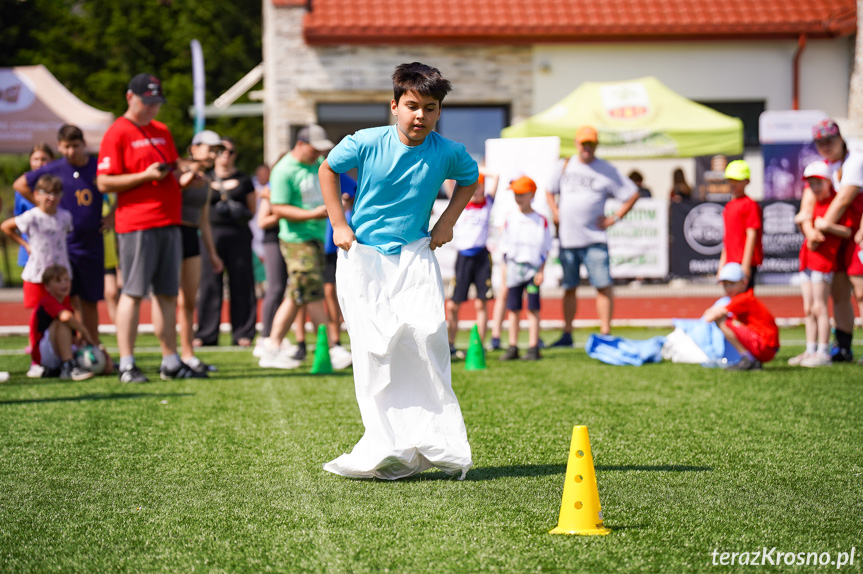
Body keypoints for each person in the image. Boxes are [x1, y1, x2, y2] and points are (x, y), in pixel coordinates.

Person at [319, 61, 477, 480]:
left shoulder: (448, 152)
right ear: (394, 106)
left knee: (428, 338)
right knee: (375, 351)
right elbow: (328, 169)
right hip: (363, 257)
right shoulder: (367, 142)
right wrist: (338, 223)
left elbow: (470, 179)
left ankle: (439, 444)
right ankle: (384, 445)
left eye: (429, 107)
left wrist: (447, 222)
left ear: (439, 112)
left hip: (414, 256)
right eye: (411, 106)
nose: (420, 115)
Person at [96, 72, 204, 383]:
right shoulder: (117, 132)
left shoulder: (162, 130)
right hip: (136, 223)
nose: (153, 109)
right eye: (148, 102)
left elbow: (170, 168)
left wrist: (187, 177)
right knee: (132, 292)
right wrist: (144, 176)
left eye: (157, 103)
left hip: (170, 220)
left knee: (168, 294)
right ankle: (127, 363)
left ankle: (170, 360)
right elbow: (104, 181)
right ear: (130, 97)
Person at [14, 124, 111, 374]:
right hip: (63, 248)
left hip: (90, 243)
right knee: (62, 301)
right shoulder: (54, 168)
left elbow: (118, 185)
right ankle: (62, 351)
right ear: (59, 146)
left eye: (75, 146)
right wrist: (41, 204)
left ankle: (93, 346)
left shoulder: (96, 166)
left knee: (89, 300)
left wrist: (113, 215)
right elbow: (20, 184)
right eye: (65, 146)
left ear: (84, 145)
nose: (70, 151)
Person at [258, 125, 351, 370]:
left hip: (315, 237)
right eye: (314, 149)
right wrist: (312, 213)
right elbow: (278, 208)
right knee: (312, 293)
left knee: (298, 294)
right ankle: (331, 347)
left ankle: (271, 345)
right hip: (295, 239)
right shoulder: (283, 170)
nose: (318, 154)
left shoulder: (317, 162)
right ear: (300, 144)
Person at [546, 125, 640, 345]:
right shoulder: (564, 165)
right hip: (568, 239)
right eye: (583, 143)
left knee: (603, 286)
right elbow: (549, 190)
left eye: (591, 143)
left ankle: (605, 333)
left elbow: (632, 194)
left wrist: (615, 218)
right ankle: (567, 333)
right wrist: (555, 211)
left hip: (595, 239)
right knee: (569, 287)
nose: (587, 147)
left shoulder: (607, 169)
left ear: (595, 145)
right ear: (577, 144)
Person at [2, 175, 73, 378]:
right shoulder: (31, 216)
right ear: (36, 195)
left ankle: (63, 358)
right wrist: (25, 245)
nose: (51, 197)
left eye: (55, 193)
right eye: (46, 193)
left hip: (60, 276)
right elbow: (6, 226)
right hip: (37, 275)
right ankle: (37, 360)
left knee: (62, 316)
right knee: (37, 320)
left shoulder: (65, 216)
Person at [806, 118, 863, 363]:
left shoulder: (855, 160)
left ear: (840, 139)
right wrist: (812, 229)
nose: (825, 146)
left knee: (861, 291)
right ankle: (843, 347)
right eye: (820, 143)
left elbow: (843, 200)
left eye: (829, 141)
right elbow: (810, 196)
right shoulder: (827, 166)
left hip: (855, 234)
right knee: (839, 293)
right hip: (839, 237)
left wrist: (821, 228)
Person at [789, 161, 855, 367]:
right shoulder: (813, 203)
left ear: (828, 181)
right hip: (807, 260)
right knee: (808, 307)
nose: (815, 187)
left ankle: (824, 351)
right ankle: (810, 349)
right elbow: (806, 224)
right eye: (811, 183)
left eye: (818, 182)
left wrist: (826, 226)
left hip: (824, 262)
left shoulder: (836, 202)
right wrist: (807, 226)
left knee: (820, 306)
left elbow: (847, 231)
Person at [194, 137, 257, 348]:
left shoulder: (244, 179)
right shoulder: (204, 177)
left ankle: (243, 332)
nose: (225, 154)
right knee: (209, 285)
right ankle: (206, 333)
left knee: (242, 283)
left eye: (229, 151)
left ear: (235, 155)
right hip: (211, 236)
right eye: (220, 150)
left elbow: (252, 210)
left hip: (239, 235)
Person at [169, 130, 224, 372]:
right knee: (169, 298)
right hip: (170, 234)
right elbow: (172, 192)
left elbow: (204, 221)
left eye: (216, 150)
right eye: (209, 148)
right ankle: (169, 356)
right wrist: (188, 175)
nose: (214, 154)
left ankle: (188, 355)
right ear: (193, 148)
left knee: (189, 300)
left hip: (191, 236)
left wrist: (212, 253)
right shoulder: (178, 169)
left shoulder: (208, 181)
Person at [446, 168, 498, 358]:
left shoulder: (488, 204)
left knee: (481, 303)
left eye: (479, 188)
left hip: (482, 258)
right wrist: (466, 174)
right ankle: (451, 344)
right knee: (453, 304)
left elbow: (496, 176)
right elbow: (447, 179)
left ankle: (480, 345)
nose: (476, 192)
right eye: (473, 188)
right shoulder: (460, 205)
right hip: (463, 259)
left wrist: (479, 170)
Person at [498, 176, 551, 361]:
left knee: (533, 308)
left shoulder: (540, 220)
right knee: (513, 308)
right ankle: (513, 346)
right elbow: (504, 247)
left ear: (532, 194)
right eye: (515, 194)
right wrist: (505, 271)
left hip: (533, 270)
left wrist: (541, 270)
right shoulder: (510, 218)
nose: (518, 198)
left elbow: (546, 247)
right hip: (514, 268)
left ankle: (533, 346)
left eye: (521, 194)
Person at [702, 262, 779, 371]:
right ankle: (750, 359)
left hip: (765, 346)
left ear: (744, 282)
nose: (728, 288)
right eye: (725, 284)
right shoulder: (744, 298)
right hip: (768, 347)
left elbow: (708, 318)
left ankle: (747, 359)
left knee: (722, 321)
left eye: (732, 284)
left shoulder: (742, 299)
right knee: (728, 319)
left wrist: (711, 311)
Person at [28, 264, 96, 381]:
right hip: (44, 354)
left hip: (58, 351)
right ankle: (68, 366)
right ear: (47, 287)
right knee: (61, 322)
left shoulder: (66, 303)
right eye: (58, 281)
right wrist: (84, 331)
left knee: (103, 363)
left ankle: (67, 365)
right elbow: (65, 317)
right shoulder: (47, 301)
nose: (64, 284)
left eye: (66, 280)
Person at [717, 160, 762, 289]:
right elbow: (727, 238)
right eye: (730, 179)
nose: (733, 183)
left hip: (743, 263)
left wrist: (745, 265)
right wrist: (722, 265)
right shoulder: (728, 206)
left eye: (737, 179)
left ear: (747, 181)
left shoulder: (750, 205)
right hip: (730, 262)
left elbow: (751, 235)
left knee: (744, 302)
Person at [14, 143, 55, 273]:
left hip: (53, 243)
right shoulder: (22, 187)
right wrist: (26, 244)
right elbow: (18, 219)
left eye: (43, 159)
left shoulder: (57, 184)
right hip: (31, 245)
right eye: (35, 159)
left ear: (51, 161)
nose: (39, 163)